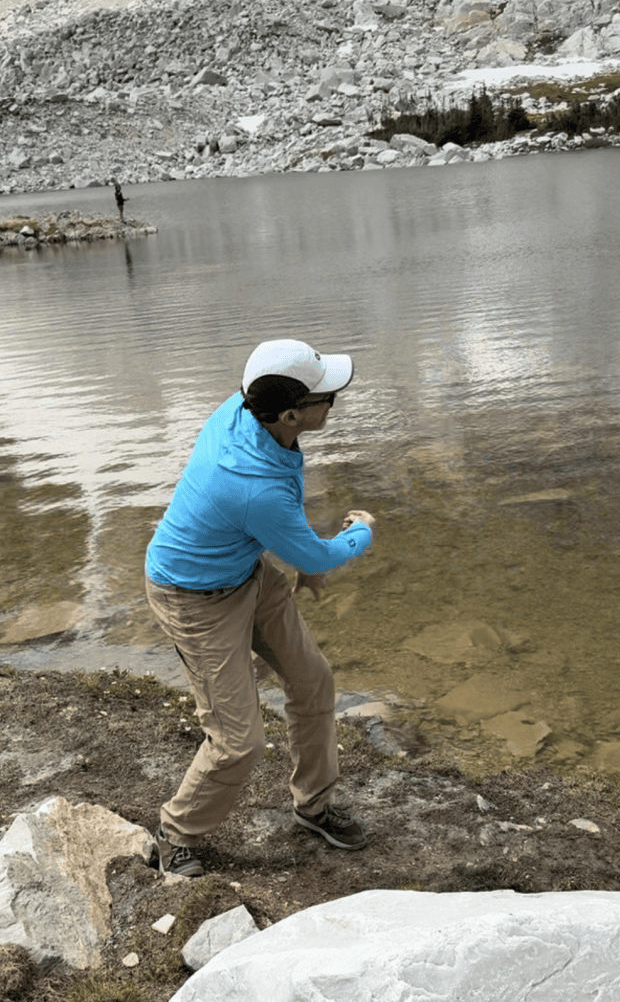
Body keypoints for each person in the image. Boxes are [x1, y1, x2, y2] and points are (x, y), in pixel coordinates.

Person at [145, 339, 376, 877]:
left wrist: (304, 563)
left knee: (313, 682)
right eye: (329, 399)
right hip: (192, 598)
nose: (333, 404)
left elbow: (284, 490)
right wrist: (361, 532)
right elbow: (313, 543)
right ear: (293, 412)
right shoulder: (250, 487)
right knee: (239, 740)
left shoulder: (245, 408)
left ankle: (313, 806)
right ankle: (174, 838)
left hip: (245, 568)